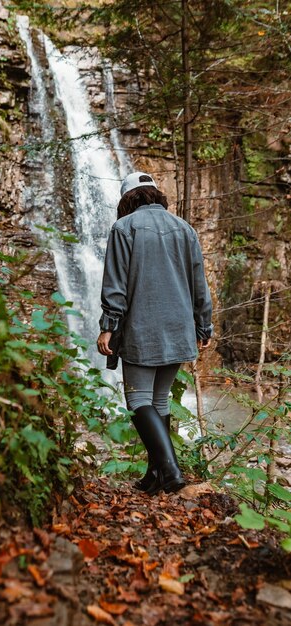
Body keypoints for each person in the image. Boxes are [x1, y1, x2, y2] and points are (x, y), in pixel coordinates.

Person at [97, 172, 213, 496]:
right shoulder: (185, 229)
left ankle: (172, 471)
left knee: (137, 400)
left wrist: (108, 326)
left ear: (128, 200)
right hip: (179, 329)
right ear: (154, 195)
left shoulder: (124, 228)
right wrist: (204, 325)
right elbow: (200, 285)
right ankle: (156, 474)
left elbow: (116, 284)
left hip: (143, 328)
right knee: (158, 399)